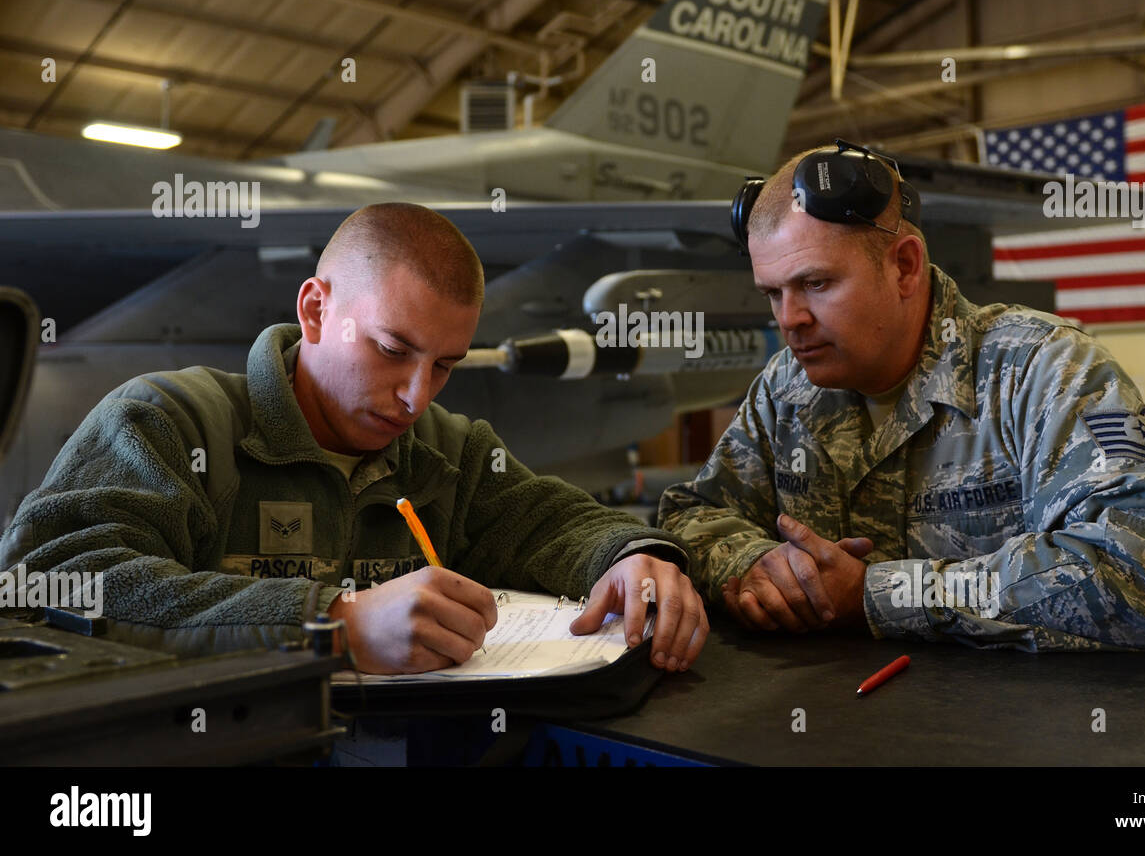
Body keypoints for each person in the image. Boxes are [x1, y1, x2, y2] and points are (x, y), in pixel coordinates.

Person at [0, 203, 707, 673]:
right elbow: (48, 583)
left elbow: (553, 521)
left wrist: (632, 557)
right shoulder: (168, 423)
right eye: (393, 349)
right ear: (315, 310)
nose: (415, 395)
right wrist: (333, 623)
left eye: (445, 366)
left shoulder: (445, 452)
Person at [659, 142, 1145, 652]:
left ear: (904, 265)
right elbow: (694, 516)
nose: (791, 320)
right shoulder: (787, 388)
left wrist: (879, 595)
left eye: (816, 284)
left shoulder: (1041, 369)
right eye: (773, 293)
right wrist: (758, 566)